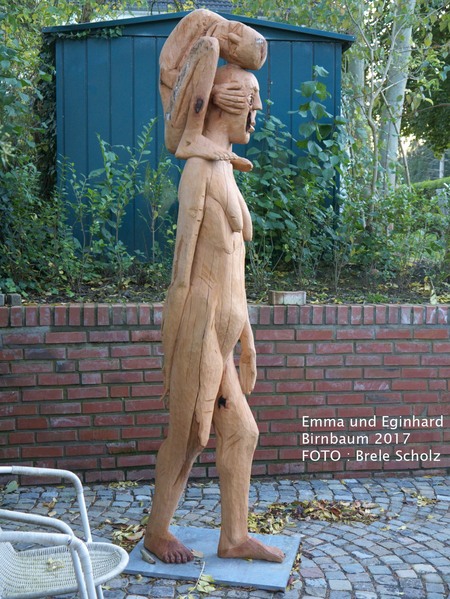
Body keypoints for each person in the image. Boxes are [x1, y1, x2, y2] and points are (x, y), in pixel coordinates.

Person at [144, 63, 285, 565]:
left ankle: (234, 537)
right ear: (226, 102)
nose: (258, 111)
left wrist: (247, 341)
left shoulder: (224, 167)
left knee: (242, 432)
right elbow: (183, 269)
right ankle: (157, 532)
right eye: (252, 99)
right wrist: (175, 346)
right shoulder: (199, 172)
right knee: (190, 435)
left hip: (225, 330)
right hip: (199, 324)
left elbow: (233, 267)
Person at [159, 9, 267, 171]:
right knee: (210, 45)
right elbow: (165, 75)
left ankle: (224, 153)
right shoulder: (201, 20)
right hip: (178, 123)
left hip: (195, 112)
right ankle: (192, 139)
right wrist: (213, 91)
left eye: (233, 50)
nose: (231, 35)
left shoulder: (221, 32)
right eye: (236, 29)